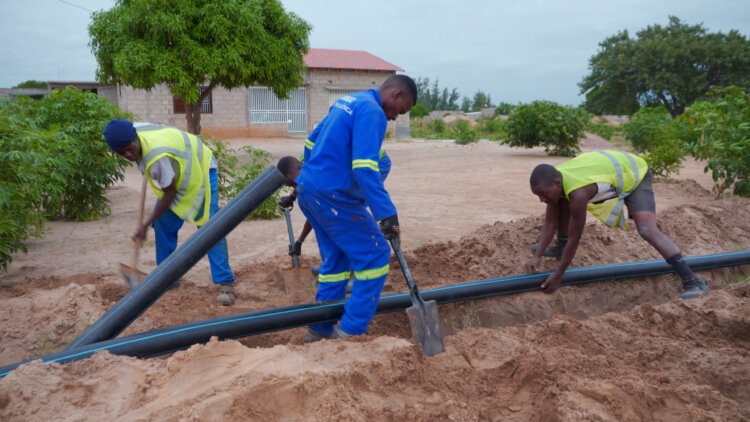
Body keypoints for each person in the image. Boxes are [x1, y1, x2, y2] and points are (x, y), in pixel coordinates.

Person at [277, 74, 416, 342]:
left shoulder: (348, 101)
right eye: (401, 110)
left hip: (310, 191)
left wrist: (312, 177)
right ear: (396, 95)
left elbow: (310, 143)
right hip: (333, 197)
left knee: (336, 263)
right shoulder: (372, 111)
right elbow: (364, 168)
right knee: (375, 256)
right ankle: (350, 334)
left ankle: (319, 329)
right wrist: (386, 214)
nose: (396, 117)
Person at [527, 149, 710, 299]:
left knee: (647, 229)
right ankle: (560, 247)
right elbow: (550, 221)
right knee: (558, 202)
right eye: (538, 195)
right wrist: (538, 256)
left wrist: (559, 275)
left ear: (557, 183)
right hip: (613, 172)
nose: (541, 199)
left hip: (635, 173)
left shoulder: (578, 193)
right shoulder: (557, 180)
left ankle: (692, 281)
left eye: (543, 194)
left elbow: (576, 237)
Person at [103, 119, 237, 306]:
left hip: (199, 168)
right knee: (163, 224)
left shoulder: (157, 157)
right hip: (176, 169)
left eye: (130, 149)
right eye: (121, 153)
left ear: (135, 138)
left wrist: (146, 224)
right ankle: (167, 277)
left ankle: (225, 281)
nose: (127, 154)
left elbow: (170, 192)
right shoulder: (132, 130)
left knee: (209, 227)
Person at [278, 149, 392, 291]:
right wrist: (293, 197)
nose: (296, 187)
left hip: (373, 163)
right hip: (350, 167)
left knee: (350, 217)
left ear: (300, 168)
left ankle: (357, 276)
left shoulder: (318, 170)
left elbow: (325, 210)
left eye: (294, 184)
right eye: (291, 187)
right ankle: (337, 265)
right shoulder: (305, 170)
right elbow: (317, 215)